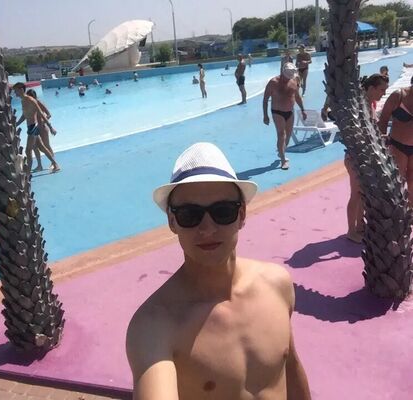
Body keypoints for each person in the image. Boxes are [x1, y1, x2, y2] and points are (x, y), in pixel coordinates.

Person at [126, 142, 311, 400]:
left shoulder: (277, 284)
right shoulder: (155, 326)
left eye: (222, 212)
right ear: (172, 221)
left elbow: (289, 368)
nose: (207, 229)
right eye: (190, 215)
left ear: (242, 214)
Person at [343, 74, 388, 243]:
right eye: (381, 90)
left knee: (363, 194)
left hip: (365, 156)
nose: (383, 93)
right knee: (355, 194)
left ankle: (360, 226)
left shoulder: (369, 105)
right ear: (371, 88)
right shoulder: (360, 107)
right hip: (355, 156)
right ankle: (351, 231)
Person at [263, 63, 307, 170]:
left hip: (290, 112)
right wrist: (265, 115)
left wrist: (303, 110)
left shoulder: (294, 81)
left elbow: (297, 97)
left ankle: (281, 151)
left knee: (288, 134)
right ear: (283, 72)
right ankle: (283, 160)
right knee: (281, 134)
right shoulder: (273, 82)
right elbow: (265, 99)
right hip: (277, 112)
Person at [378, 75, 413, 205]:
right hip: (398, 145)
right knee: (398, 182)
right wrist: (381, 142)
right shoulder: (398, 96)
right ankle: (399, 212)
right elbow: (383, 119)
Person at [12, 82, 60, 173]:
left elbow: (41, 113)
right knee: (41, 147)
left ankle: (27, 172)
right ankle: (55, 164)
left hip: (33, 127)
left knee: (28, 150)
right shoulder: (23, 101)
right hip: (30, 127)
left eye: (16, 91)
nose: (15, 93)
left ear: (21, 90)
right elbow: (24, 115)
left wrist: (50, 127)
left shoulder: (31, 100)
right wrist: (16, 124)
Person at [26, 89, 58, 172]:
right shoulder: (29, 105)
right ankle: (39, 165)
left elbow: (49, 114)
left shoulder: (38, 102)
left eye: (29, 97)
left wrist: (43, 122)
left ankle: (53, 163)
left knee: (46, 146)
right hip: (34, 128)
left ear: (34, 96)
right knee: (35, 147)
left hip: (42, 128)